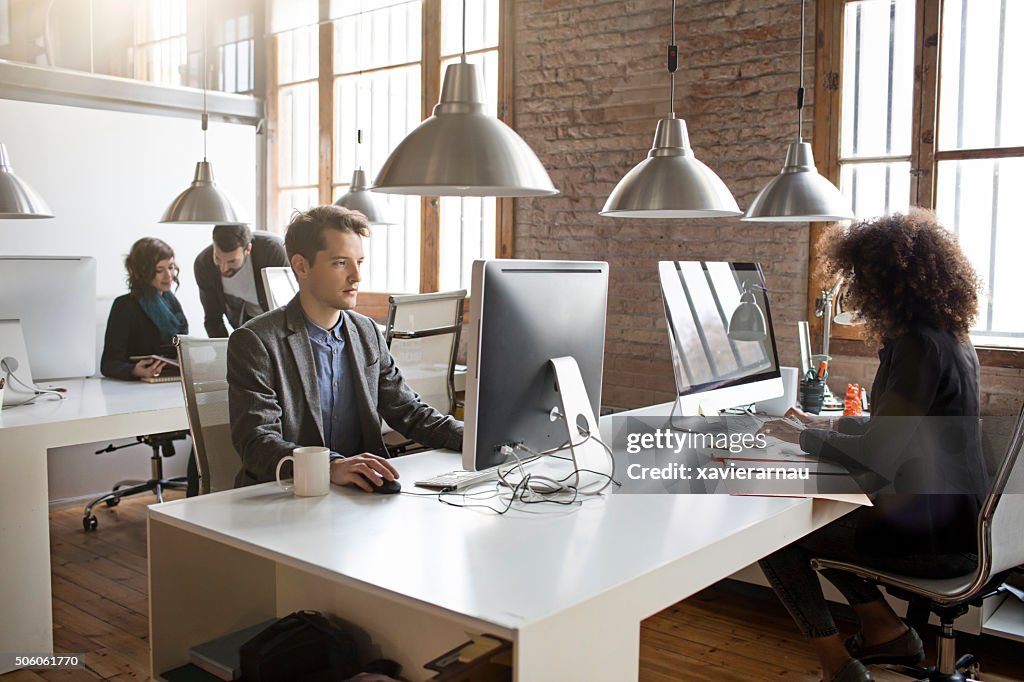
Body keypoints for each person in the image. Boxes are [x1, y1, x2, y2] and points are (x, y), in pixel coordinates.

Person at [755, 210, 990, 682]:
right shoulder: (951, 340)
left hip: (933, 540)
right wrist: (828, 423)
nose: (856, 291)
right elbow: (902, 430)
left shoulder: (916, 349)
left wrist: (800, 436)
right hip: (960, 525)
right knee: (828, 525)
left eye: (859, 279)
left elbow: (881, 455)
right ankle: (885, 631)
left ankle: (837, 666)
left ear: (884, 283)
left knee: (778, 539)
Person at [226, 205, 463, 491]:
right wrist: (331, 466)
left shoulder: (366, 332)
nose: (356, 276)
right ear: (302, 266)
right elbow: (257, 442)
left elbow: (409, 411)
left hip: (361, 495)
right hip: (287, 497)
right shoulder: (255, 341)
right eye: (340, 263)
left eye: (359, 262)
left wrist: (476, 439)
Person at [101, 237, 188, 381]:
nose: (169, 275)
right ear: (143, 272)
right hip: (137, 389)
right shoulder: (124, 306)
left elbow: (183, 346)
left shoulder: (172, 302)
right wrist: (134, 370)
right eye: (159, 270)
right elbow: (109, 364)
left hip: (172, 382)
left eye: (171, 267)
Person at [194, 223, 288, 338]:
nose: (224, 268)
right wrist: (224, 352)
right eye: (217, 258)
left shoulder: (272, 251)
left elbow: (287, 306)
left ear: (248, 249)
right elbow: (213, 320)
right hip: (245, 325)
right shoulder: (203, 264)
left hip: (277, 322)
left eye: (232, 261)